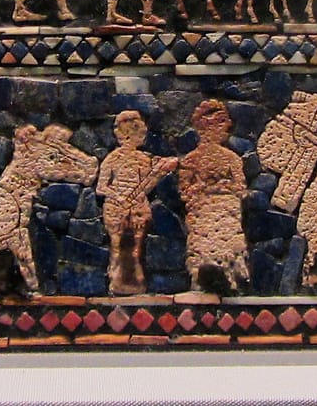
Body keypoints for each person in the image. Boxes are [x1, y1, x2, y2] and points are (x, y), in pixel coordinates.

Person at [97, 110, 176, 295]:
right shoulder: (112, 159)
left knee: (136, 248)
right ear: (126, 135)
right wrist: (119, 197)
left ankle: (136, 283)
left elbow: (149, 183)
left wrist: (160, 171)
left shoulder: (144, 159)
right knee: (116, 246)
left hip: (138, 207)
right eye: (139, 134)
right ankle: (116, 282)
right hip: (116, 208)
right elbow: (101, 187)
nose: (143, 138)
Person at [178, 99, 249, 292]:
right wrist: (201, 189)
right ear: (204, 127)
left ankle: (229, 277)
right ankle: (204, 276)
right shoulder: (191, 160)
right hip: (202, 213)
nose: (226, 128)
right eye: (220, 123)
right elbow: (184, 191)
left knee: (228, 246)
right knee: (203, 246)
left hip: (226, 212)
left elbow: (241, 188)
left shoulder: (232, 159)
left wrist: (223, 188)